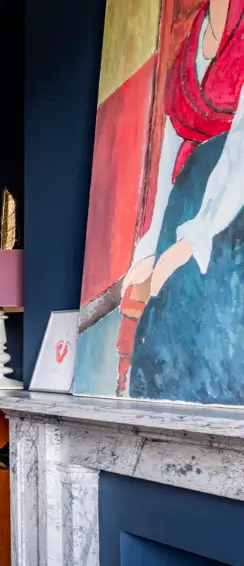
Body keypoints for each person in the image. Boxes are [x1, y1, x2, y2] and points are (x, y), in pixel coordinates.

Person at [117, 0, 244, 403]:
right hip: (184, 200)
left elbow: (239, 154)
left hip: (228, 218)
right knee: (161, 338)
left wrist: (195, 239)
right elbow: (171, 148)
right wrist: (151, 244)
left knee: (212, 340)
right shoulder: (191, 38)